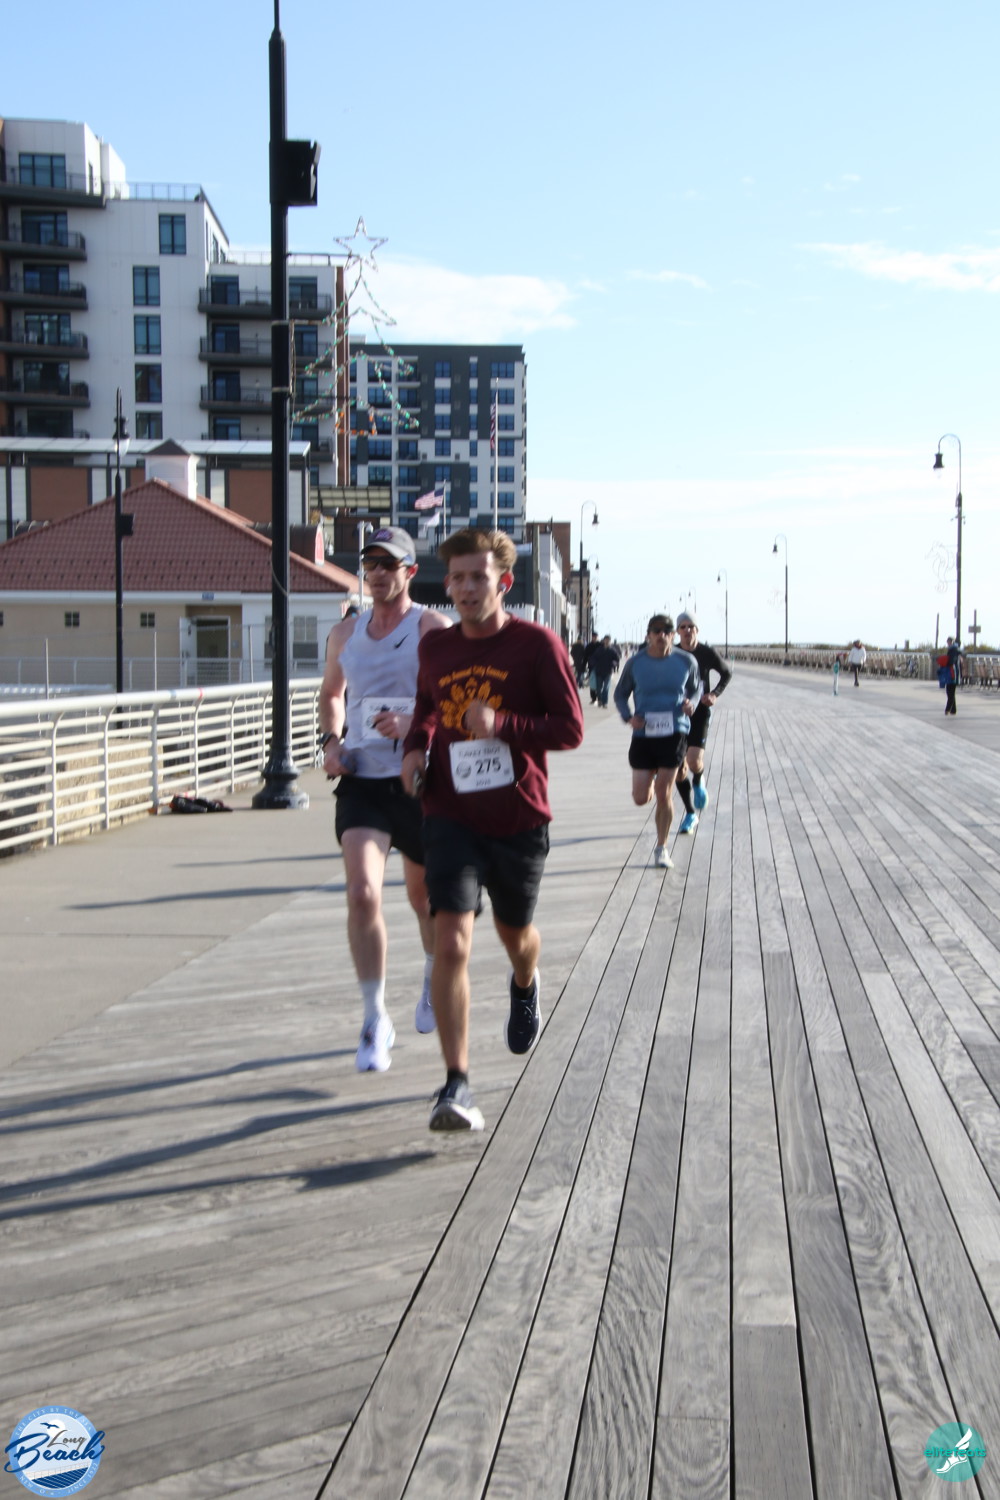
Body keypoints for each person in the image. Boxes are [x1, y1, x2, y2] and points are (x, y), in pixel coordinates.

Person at [401, 528, 584, 1132]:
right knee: (451, 938)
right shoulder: (436, 648)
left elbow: (570, 729)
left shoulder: (536, 645)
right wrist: (414, 749)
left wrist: (503, 723)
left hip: (517, 817)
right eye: (456, 577)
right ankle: (456, 1083)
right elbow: (427, 710)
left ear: (502, 582)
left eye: (477, 577)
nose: (465, 588)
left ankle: (526, 982)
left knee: (515, 933)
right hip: (449, 812)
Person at [318, 526, 450, 1073]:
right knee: (362, 892)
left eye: (387, 565)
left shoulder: (432, 628)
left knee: (424, 900)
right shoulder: (344, 634)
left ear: (409, 572)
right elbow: (331, 694)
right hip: (363, 781)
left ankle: (431, 975)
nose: (376, 573)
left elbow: (454, 698)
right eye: (369, 564)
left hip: (417, 779)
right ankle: (375, 1019)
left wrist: (413, 719)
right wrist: (331, 743)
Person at [613, 614, 701, 870]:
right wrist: (628, 717)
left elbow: (696, 688)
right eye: (656, 630)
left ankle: (662, 848)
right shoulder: (636, 663)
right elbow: (620, 694)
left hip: (675, 731)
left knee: (664, 794)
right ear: (648, 635)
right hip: (644, 734)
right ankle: (655, 774)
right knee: (641, 798)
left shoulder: (686, 661)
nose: (661, 635)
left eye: (667, 631)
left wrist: (692, 703)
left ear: (673, 635)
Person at [672, 612, 732, 834]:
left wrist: (714, 693)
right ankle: (690, 813)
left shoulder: (707, 652)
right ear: (677, 631)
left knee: (694, 760)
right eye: (683, 627)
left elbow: (726, 673)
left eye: (691, 626)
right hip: (677, 713)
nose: (687, 630)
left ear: (697, 630)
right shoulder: (672, 653)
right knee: (678, 767)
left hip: (700, 711)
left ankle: (698, 779)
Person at [588, 633, 620, 708]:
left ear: (610, 641)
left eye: (608, 640)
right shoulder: (599, 650)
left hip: (608, 672)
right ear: (604, 640)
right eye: (606, 639)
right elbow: (593, 658)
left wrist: (613, 664)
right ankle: (600, 700)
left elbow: (617, 659)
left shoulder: (612, 650)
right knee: (599, 688)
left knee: (606, 688)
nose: (607, 641)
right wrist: (594, 664)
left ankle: (604, 702)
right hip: (599, 671)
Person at [943, 635, 964, 715]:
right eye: (948, 641)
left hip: (952, 673)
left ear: (952, 642)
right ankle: (953, 709)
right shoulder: (955, 649)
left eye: (949, 641)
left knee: (950, 691)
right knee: (951, 691)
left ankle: (948, 709)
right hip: (954, 672)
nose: (948, 643)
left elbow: (952, 661)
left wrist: (945, 662)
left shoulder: (953, 650)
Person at [582, 631, 602, 702]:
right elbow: (585, 656)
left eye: (595, 637)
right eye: (593, 637)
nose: (594, 638)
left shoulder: (600, 645)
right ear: (592, 637)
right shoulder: (589, 646)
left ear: (597, 637)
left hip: (599, 666)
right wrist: (583, 665)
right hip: (591, 666)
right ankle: (593, 697)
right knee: (592, 681)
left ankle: (599, 696)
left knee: (599, 682)